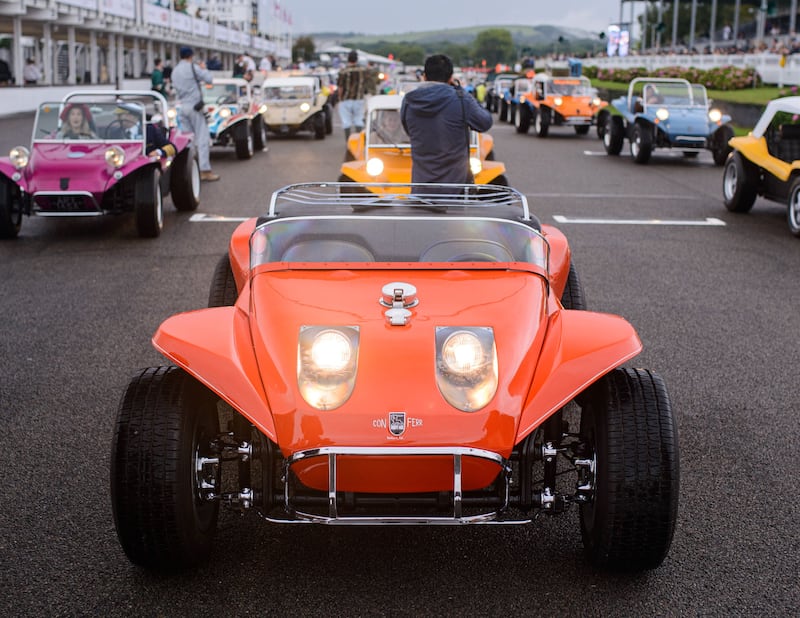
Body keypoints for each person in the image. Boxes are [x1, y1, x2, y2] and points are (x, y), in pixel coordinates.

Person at [400, 54, 492, 189]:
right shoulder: (461, 99)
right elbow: (485, 122)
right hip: (455, 190)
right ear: (450, 78)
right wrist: (462, 92)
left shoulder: (408, 101)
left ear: (424, 76)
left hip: (421, 188)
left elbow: (408, 129)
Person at [170, 46, 219, 181]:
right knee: (202, 138)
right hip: (195, 107)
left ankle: (189, 170)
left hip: (182, 107)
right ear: (191, 55)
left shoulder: (175, 71)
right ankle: (205, 170)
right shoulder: (193, 67)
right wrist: (203, 67)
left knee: (188, 141)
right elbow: (209, 79)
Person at [337, 50, 369, 141]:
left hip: (346, 99)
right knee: (359, 120)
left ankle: (349, 142)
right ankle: (359, 141)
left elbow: (340, 87)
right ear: (357, 59)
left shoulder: (343, 71)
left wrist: (340, 98)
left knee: (346, 122)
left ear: (348, 59)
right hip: (359, 99)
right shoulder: (363, 70)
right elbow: (367, 83)